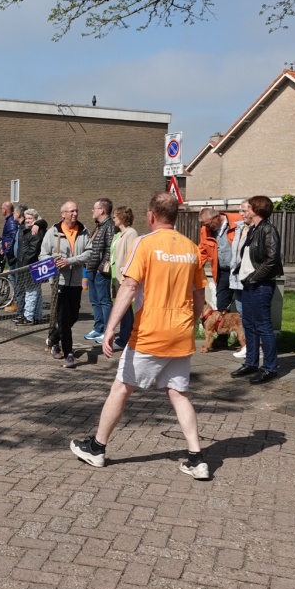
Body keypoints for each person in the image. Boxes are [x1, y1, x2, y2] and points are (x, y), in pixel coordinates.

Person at [69, 192, 210, 480]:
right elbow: (199, 295)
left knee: (121, 388)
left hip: (150, 332)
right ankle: (197, 459)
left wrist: (110, 327)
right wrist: (191, 323)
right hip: (181, 333)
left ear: (151, 216)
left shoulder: (144, 243)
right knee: (179, 393)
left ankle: (97, 448)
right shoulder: (190, 248)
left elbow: (130, 287)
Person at [230, 195, 283, 384]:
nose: (243, 212)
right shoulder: (253, 229)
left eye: (247, 208)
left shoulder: (268, 230)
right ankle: (251, 363)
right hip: (249, 284)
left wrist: (253, 278)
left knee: (263, 326)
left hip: (261, 284)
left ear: (257, 210)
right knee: (249, 324)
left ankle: (269, 368)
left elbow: (271, 259)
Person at [40, 200, 92, 368]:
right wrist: (53, 261)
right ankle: (68, 353)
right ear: (63, 214)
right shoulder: (53, 232)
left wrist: (70, 261)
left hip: (75, 281)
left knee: (74, 315)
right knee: (63, 318)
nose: (75, 214)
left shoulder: (83, 231)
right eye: (71, 211)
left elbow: (89, 253)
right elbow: (42, 255)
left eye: (76, 211)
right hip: (59, 281)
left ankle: (54, 339)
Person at [108, 206, 140, 349]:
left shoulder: (131, 233)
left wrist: (125, 273)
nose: (113, 219)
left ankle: (125, 338)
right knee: (123, 307)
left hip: (123, 276)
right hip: (116, 274)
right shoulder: (119, 234)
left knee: (125, 307)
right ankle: (125, 336)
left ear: (121, 217)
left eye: (115, 216)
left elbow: (131, 255)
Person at [84, 198, 115, 341]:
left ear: (102, 211)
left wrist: (101, 268)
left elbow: (109, 249)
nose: (92, 210)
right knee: (94, 301)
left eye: (94, 208)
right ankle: (98, 328)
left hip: (100, 271)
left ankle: (107, 331)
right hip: (91, 268)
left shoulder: (109, 226)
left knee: (104, 301)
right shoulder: (98, 226)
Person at [228, 200, 252, 359]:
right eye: (240, 210)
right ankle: (247, 345)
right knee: (242, 314)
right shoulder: (239, 228)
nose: (240, 214)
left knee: (252, 315)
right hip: (236, 278)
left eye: (244, 210)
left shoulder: (260, 229)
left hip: (249, 279)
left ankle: (257, 346)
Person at [16, 208, 49, 325]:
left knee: (31, 292)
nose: (27, 220)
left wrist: (24, 265)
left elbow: (33, 251)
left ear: (35, 219)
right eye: (26, 218)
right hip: (28, 265)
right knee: (36, 292)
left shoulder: (37, 231)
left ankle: (28, 317)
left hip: (31, 266)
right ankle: (38, 315)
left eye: (30, 218)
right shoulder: (28, 230)